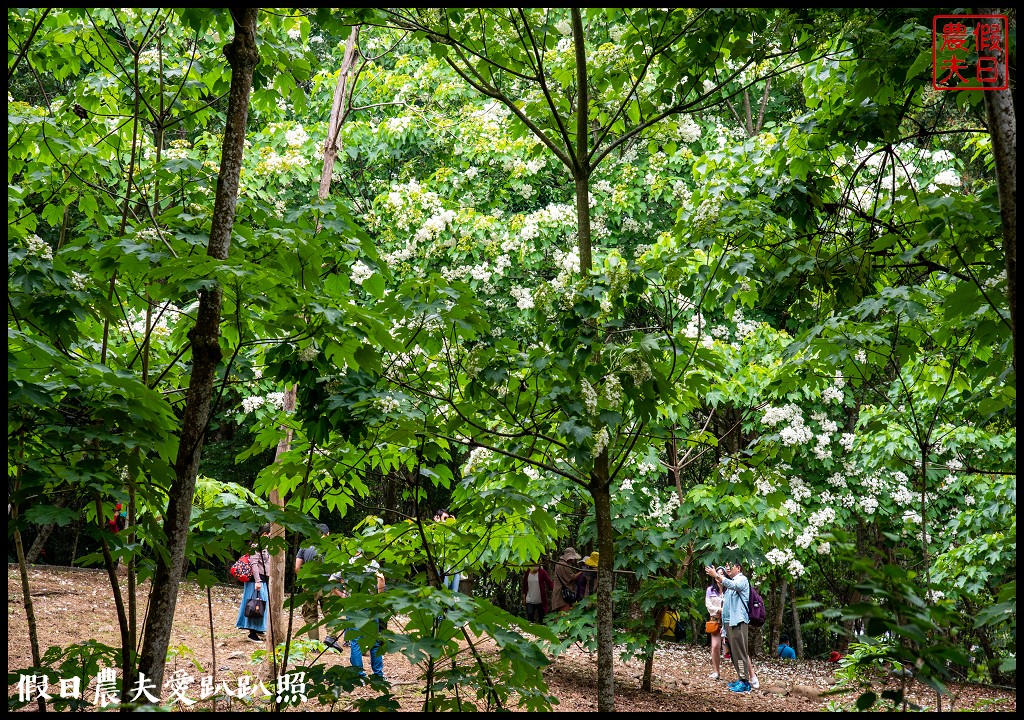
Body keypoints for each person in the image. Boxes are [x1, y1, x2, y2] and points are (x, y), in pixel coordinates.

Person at [325, 549, 387, 681]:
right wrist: (379, 596)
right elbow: (381, 579)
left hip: (352, 605)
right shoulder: (372, 563)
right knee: (374, 641)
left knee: (355, 641)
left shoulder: (346, 563)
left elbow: (331, 581)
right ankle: (378, 674)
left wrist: (342, 595)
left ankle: (359, 676)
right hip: (370, 605)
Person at [707, 561, 753, 693]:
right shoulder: (730, 583)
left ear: (738, 568)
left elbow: (733, 585)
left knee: (740, 652)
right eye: (726, 565)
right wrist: (724, 627)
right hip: (730, 623)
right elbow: (726, 607)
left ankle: (745, 682)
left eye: (730, 566)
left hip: (739, 622)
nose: (727, 567)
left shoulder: (742, 580)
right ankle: (741, 679)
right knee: (733, 653)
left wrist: (716, 575)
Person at [295, 523, 330, 641]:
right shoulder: (332, 546)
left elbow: (297, 568)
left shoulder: (305, 546)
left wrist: (304, 579)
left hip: (310, 584)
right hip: (328, 584)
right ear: (327, 534)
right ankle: (331, 638)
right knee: (330, 612)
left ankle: (314, 643)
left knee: (310, 614)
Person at [237, 524, 271, 642]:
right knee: (255, 604)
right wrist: (258, 581)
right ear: (264, 534)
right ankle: (252, 632)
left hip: (263, 579)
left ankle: (258, 628)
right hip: (256, 580)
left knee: (261, 604)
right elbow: (254, 564)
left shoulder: (265, 546)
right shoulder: (256, 546)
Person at [434, 508, 463, 594]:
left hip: (455, 565)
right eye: (445, 518)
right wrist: (438, 524)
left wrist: (454, 525)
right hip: (444, 565)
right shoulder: (436, 531)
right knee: (445, 591)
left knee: (454, 592)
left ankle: (453, 607)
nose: (447, 521)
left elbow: (459, 541)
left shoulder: (452, 531)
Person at [705, 565, 725, 680]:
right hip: (715, 621)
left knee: (730, 647)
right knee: (715, 646)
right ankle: (716, 671)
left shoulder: (729, 590)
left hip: (727, 621)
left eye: (722, 573)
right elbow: (708, 605)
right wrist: (719, 610)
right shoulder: (710, 590)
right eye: (718, 573)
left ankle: (741, 674)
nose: (720, 575)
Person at [549, 547, 583, 613]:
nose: (573, 560)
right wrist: (581, 571)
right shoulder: (563, 565)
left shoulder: (560, 564)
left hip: (559, 591)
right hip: (562, 592)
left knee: (560, 614)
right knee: (563, 614)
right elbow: (572, 577)